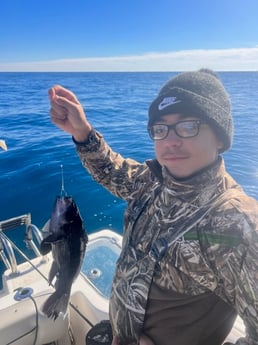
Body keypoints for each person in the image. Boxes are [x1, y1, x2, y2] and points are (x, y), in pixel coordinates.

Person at [48, 69, 258, 345]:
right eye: (160, 129)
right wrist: (81, 132)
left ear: (220, 137)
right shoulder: (151, 181)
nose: (171, 141)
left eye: (188, 126)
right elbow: (113, 171)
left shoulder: (240, 225)